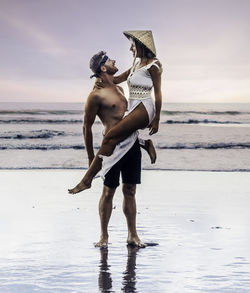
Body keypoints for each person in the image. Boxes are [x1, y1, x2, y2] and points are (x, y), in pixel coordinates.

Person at [68, 30, 162, 194]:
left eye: (132, 45)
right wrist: (99, 80)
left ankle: (87, 180)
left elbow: (158, 93)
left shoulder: (154, 66)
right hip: (134, 107)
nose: (130, 49)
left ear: (140, 45)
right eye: (131, 46)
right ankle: (144, 143)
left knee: (110, 137)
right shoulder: (135, 65)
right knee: (114, 135)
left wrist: (157, 119)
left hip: (144, 107)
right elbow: (116, 79)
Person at [77, 50, 151, 247]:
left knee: (130, 189)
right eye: (110, 60)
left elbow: (132, 71)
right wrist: (92, 159)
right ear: (103, 67)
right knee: (109, 191)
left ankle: (132, 235)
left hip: (131, 144)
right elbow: (86, 127)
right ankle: (104, 236)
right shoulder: (95, 95)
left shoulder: (117, 87)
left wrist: (142, 54)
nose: (114, 60)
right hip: (112, 148)